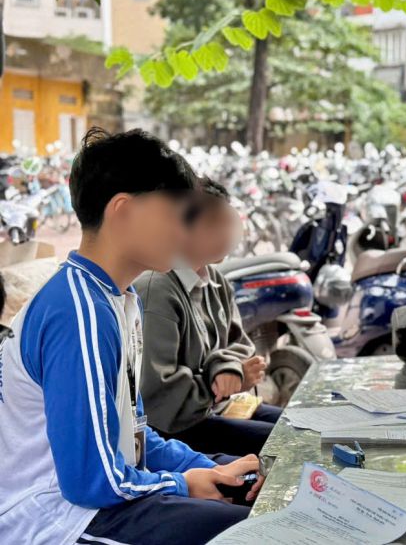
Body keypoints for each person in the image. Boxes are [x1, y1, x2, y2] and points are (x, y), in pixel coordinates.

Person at [0, 128, 261, 545]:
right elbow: (91, 482)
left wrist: (206, 468)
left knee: (251, 490)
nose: (183, 231)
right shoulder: (78, 311)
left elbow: (134, 435)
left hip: (96, 500)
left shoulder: (119, 300)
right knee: (253, 533)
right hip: (54, 521)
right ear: (122, 209)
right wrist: (184, 484)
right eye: (176, 213)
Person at [136, 176, 281, 456]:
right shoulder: (157, 290)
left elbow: (240, 346)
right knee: (288, 447)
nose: (226, 234)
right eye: (214, 224)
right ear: (180, 228)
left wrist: (226, 367)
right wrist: (218, 384)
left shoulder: (215, 280)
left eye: (227, 222)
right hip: (178, 430)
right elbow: (159, 395)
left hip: (218, 407)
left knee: (300, 430)